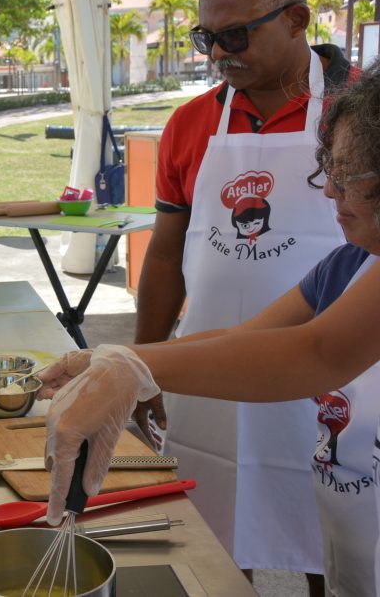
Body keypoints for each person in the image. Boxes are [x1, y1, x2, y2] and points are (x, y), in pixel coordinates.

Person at [39, 60, 380, 596]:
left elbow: (314, 354)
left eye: (345, 176)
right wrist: (113, 357)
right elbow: (248, 339)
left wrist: (136, 366)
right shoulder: (347, 265)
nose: (329, 193)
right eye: (326, 172)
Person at [131, 0, 354, 590]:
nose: (217, 53)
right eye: (207, 36)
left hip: (340, 368)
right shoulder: (191, 123)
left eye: (235, 34)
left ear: (296, 19)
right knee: (215, 533)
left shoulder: (359, 115)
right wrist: (146, 363)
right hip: (214, 361)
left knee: (337, 531)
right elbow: (167, 252)